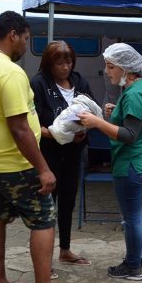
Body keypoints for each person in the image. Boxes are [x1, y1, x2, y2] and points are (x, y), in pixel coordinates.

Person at [0, 11, 80, 283]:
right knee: (43, 220)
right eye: (26, 38)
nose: (27, 45)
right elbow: (19, 127)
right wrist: (43, 168)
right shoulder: (10, 72)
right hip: (17, 165)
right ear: (13, 34)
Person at [78, 43, 142, 281]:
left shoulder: (134, 94)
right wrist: (115, 113)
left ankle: (133, 266)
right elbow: (137, 120)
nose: (107, 71)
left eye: (111, 66)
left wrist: (97, 122)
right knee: (138, 212)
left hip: (132, 165)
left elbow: (129, 135)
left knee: (132, 217)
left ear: (126, 68)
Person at [30, 41, 93, 268]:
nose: (65, 67)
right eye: (59, 62)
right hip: (49, 154)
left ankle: (65, 249)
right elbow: (31, 121)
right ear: (49, 63)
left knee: (68, 201)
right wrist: (56, 135)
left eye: (68, 61)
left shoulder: (79, 81)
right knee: (47, 205)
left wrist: (83, 131)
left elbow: (90, 109)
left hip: (74, 152)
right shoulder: (38, 83)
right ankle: (44, 261)